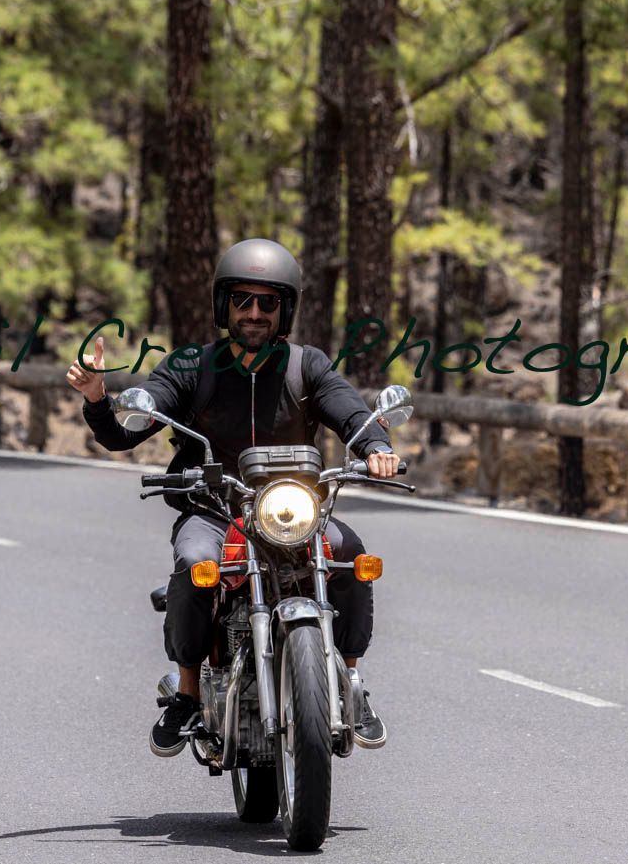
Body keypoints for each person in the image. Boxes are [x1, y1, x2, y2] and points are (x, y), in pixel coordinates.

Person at [67, 238, 399, 757]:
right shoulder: (192, 367)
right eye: (243, 300)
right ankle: (186, 692)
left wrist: (375, 444)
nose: (255, 312)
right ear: (225, 306)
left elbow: (350, 410)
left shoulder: (305, 366)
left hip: (293, 511)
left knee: (352, 557)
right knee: (196, 562)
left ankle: (351, 685)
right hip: (214, 509)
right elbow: (129, 427)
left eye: (268, 302)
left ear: (284, 309)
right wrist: (97, 400)